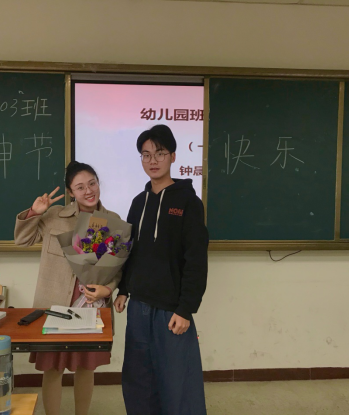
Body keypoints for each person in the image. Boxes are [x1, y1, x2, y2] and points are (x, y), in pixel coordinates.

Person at [114, 124, 209, 415]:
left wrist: (186, 309)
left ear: (173, 156)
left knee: (177, 385)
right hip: (138, 307)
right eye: (146, 155)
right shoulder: (138, 203)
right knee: (139, 381)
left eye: (160, 153)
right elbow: (131, 252)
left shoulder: (188, 202)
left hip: (171, 311)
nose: (152, 160)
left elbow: (196, 260)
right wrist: (124, 289)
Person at [14, 161, 120, 415]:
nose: (88, 191)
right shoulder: (54, 216)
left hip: (91, 305)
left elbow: (118, 267)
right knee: (53, 368)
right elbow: (22, 240)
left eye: (92, 183)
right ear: (71, 192)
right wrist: (34, 212)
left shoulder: (113, 221)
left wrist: (108, 289)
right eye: (80, 187)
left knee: (86, 368)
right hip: (54, 304)